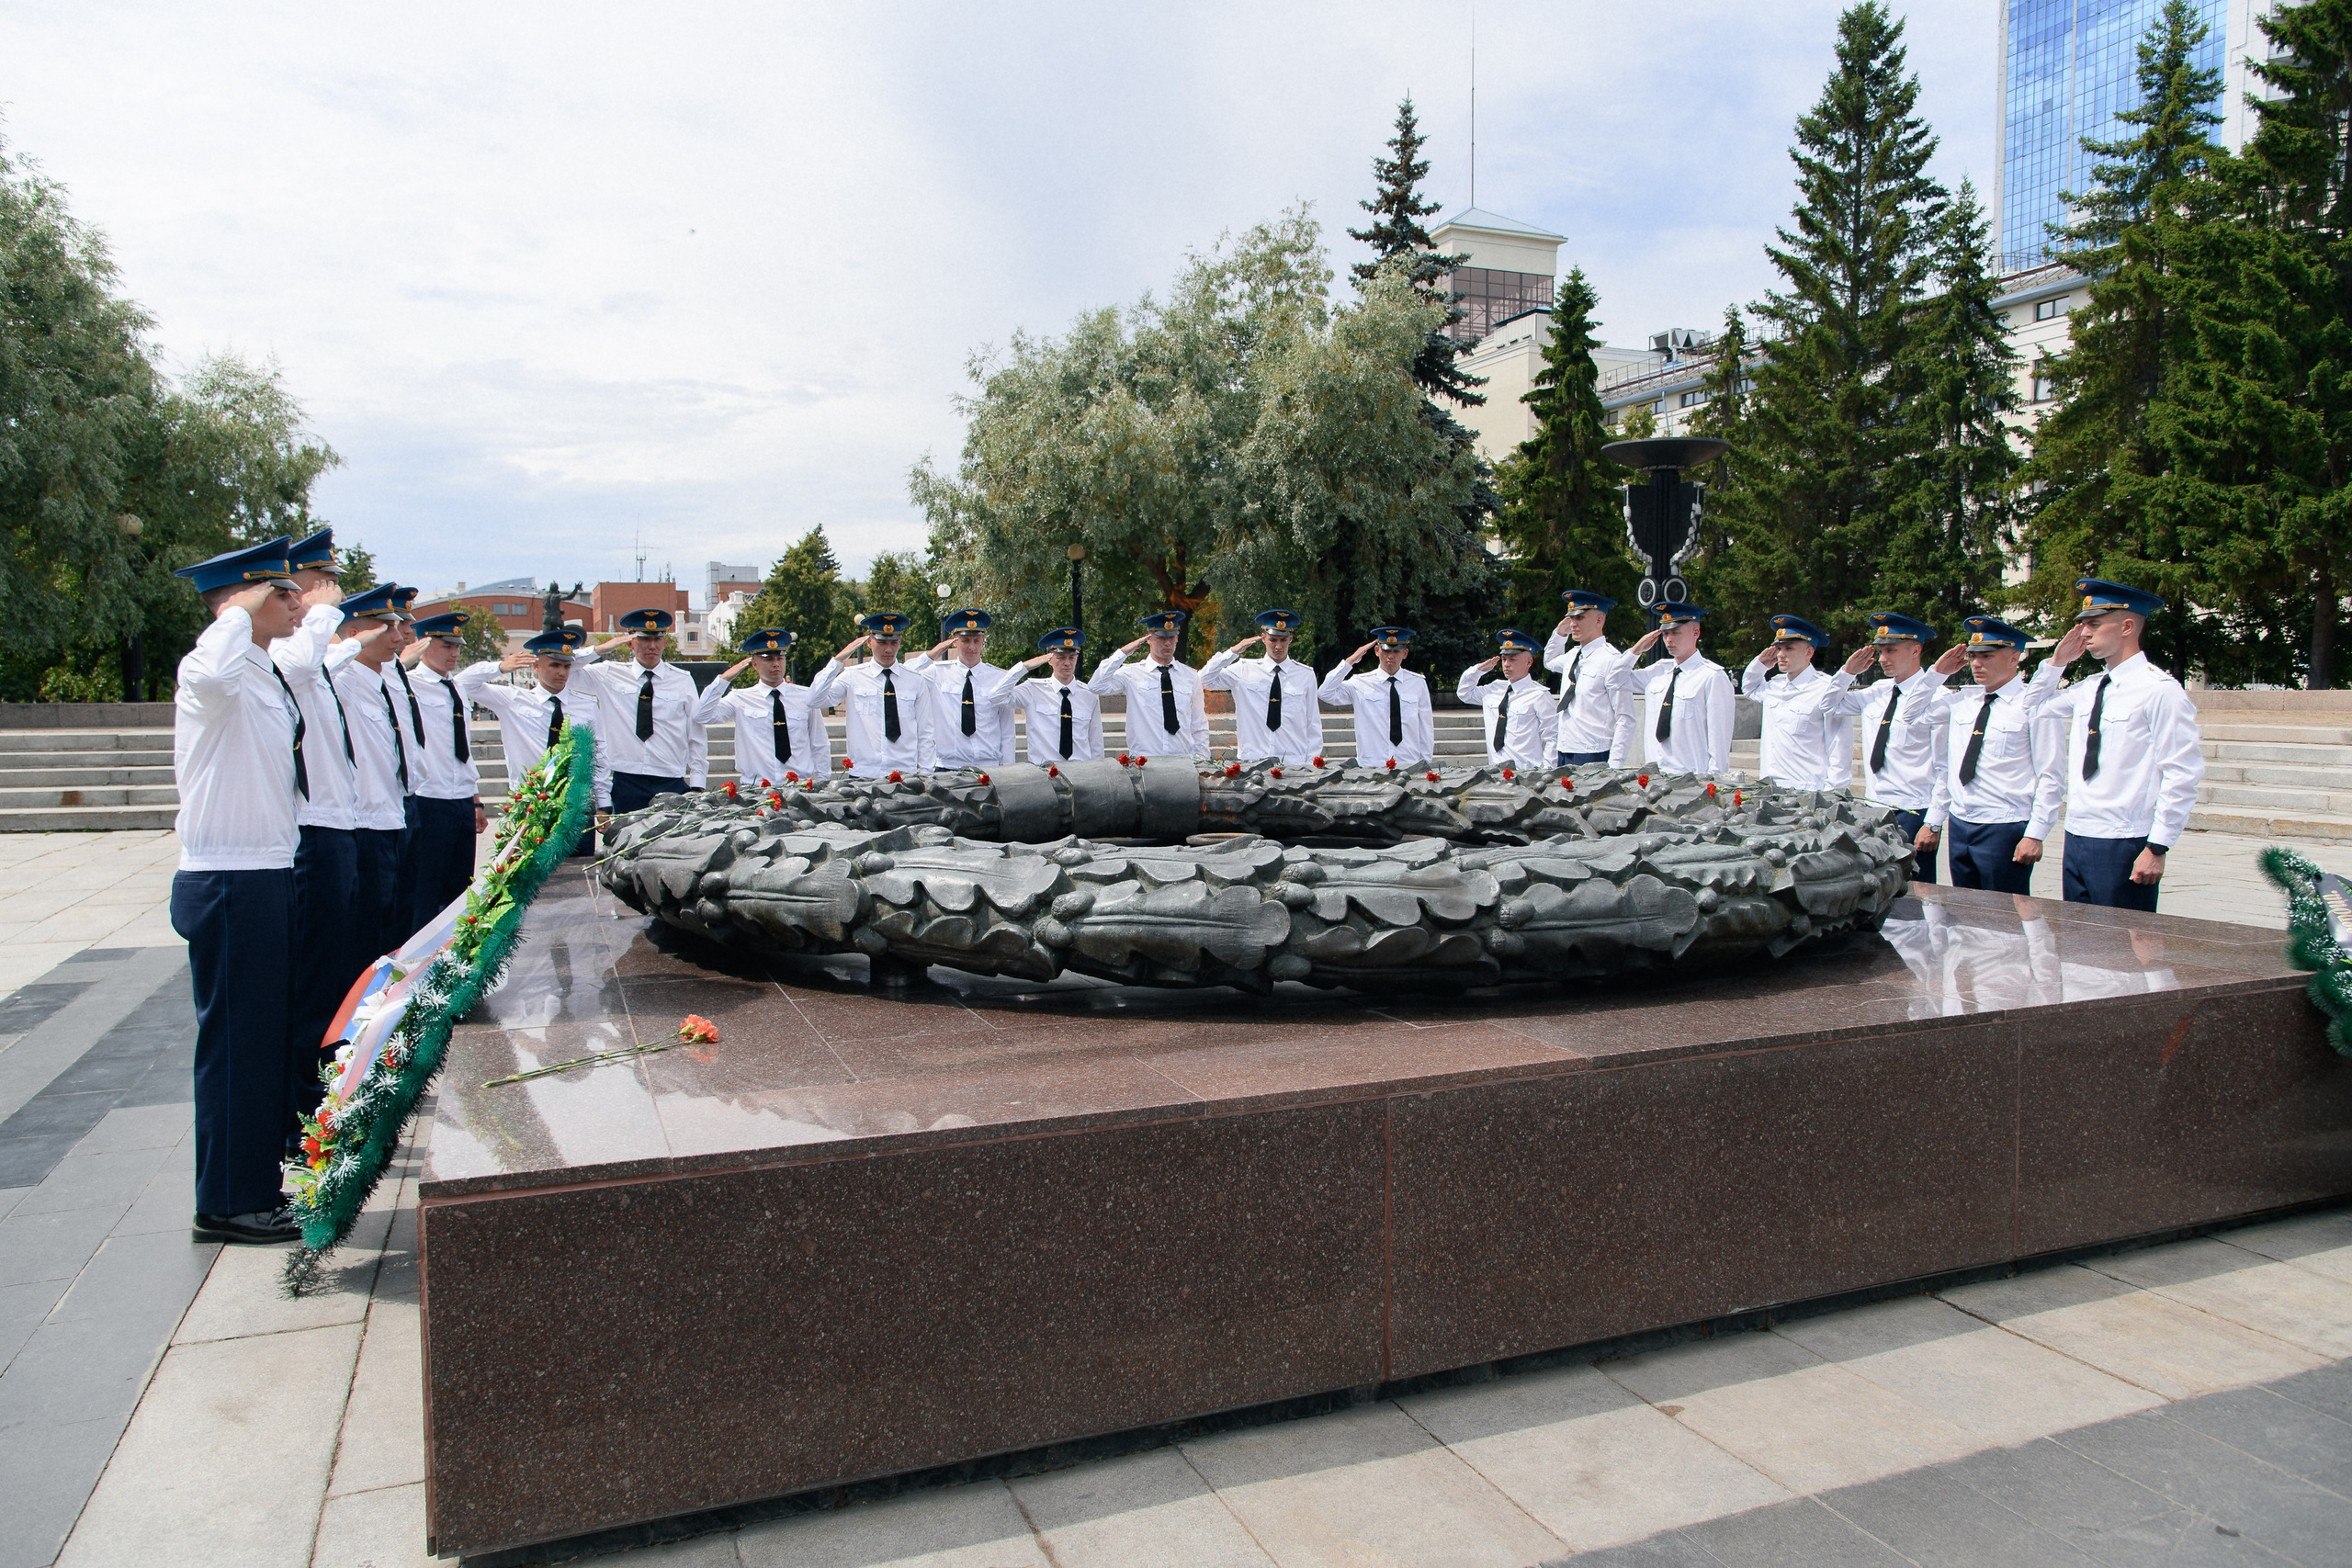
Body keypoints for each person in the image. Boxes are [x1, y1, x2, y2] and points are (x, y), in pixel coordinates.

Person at [169, 537, 307, 1245]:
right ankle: (226, 1200)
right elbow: (211, 679)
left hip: (266, 870)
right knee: (237, 1046)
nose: (296, 600)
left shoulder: (260, 668)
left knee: (263, 1041)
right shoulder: (212, 663)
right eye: (280, 591)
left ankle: (254, 1185)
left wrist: (249, 613)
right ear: (244, 596)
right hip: (228, 878)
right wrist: (232, 611)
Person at [2023, 578, 2205, 910]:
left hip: (2124, 841)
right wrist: (2055, 664)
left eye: (2093, 624)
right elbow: (2031, 709)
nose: (2083, 634)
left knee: (2123, 954)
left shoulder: (2160, 690)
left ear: (2126, 626)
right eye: (2082, 625)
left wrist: (2157, 847)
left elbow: (2181, 773)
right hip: (2078, 835)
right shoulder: (2089, 687)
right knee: (2080, 949)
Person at [269, 529, 368, 1133]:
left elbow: (329, 656)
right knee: (310, 977)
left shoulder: (312, 656)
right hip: (311, 832)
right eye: (313, 585)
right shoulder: (289, 653)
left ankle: (317, 1084)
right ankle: (301, 1099)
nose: (327, 595)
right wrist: (326, 610)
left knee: (330, 966)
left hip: (337, 825)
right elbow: (305, 656)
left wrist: (357, 627)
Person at [1935, 616, 2064, 894]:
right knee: (1965, 915)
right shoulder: (1964, 702)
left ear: (2014, 658)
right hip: (1961, 822)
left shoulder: (2033, 704)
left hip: (2004, 826)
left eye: (1986, 656)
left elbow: (2051, 774)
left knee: (2006, 924)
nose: (1976, 663)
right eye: (1972, 656)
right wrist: (1937, 673)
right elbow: (1911, 714)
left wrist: (2036, 833)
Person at [1826, 613, 1951, 881]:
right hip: (1875, 809)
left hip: (1913, 811)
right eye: (1881, 650)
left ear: (1915, 649)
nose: (1883, 658)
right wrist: (1847, 672)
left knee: (1917, 893)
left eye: (1891, 650)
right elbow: (1828, 707)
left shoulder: (1938, 698)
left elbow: (1945, 765)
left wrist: (1934, 822)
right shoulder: (1877, 691)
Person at [460, 628, 605, 853]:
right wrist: (499, 667)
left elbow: (599, 755)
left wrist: (603, 802)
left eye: (567, 666)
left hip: (574, 804)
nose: (562, 673)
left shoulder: (585, 705)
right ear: (536, 666)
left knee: (578, 877)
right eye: (554, 665)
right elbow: (462, 683)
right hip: (531, 804)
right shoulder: (513, 700)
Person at [331, 587, 415, 957]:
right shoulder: (340, 681)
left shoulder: (382, 682)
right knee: (367, 930)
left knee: (392, 920)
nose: (399, 638)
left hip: (392, 816)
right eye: (386, 629)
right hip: (364, 823)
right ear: (356, 636)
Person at [579, 608, 707, 827]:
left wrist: (697, 783)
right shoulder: (608, 674)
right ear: (629, 643)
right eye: (644, 639)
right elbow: (567, 670)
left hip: (670, 778)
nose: (652, 646)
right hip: (626, 779)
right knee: (625, 851)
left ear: (665, 642)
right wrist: (600, 649)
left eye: (658, 639)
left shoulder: (682, 680)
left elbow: (696, 733)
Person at [399, 612, 486, 933]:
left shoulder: (455, 688)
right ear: (423, 644)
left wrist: (474, 798)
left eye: (457, 646)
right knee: (426, 888)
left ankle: (455, 957)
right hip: (428, 797)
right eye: (446, 645)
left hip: (459, 798)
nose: (454, 653)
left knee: (460, 889)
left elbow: (461, 746)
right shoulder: (408, 685)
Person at [695, 627, 839, 785]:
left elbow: (819, 743)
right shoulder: (740, 698)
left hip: (799, 786)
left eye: (780, 658)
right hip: (755, 788)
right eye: (769, 659)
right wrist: (724, 679)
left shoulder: (806, 697)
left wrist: (823, 781)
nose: (776, 664)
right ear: (754, 664)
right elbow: (702, 715)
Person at [1611, 602, 1736, 775]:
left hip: (1691, 779)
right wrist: (1636, 650)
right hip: (1655, 775)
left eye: (1676, 633)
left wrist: (1714, 782)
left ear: (1696, 633)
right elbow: (1614, 680)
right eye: (1666, 633)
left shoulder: (1712, 676)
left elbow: (1719, 739)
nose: (1669, 639)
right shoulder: (1658, 672)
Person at [806, 613, 936, 776]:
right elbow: (813, 700)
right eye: (881, 642)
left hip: (904, 773)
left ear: (900, 642)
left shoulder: (915, 681)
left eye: (894, 642)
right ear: (869, 642)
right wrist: (838, 661)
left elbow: (925, 731)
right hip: (863, 773)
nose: (888, 649)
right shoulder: (852, 676)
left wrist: (925, 773)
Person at [1742, 615, 1853, 794]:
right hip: (1770, 786)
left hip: (1806, 789)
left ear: (1809, 652)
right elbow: (1749, 688)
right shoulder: (1775, 685)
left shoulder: (1826, 689)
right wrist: (1760, 664)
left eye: (1789, 648)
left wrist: (1835, 793)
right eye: (1779, 648)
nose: (1780, 654)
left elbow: (1839, 747)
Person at [1202, 609, 1326, 766]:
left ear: (1290, 639)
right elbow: (1203, 680)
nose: (1278, 646)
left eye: (1283, 640)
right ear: (1263, 638)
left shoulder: (1305, 675)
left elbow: (1312, 722)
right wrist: (1232, 652)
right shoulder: (1244, 669)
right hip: (1253, 760)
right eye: (1273, 640)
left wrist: (1310, 764)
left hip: (1294, 761)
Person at [1087, 610, 1210, 760]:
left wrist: (1202, 759)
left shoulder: (1190, 676)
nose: (1167, 643)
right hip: (1145, 761)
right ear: (1148, 639)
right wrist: (1123, 653)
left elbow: (1199, 724)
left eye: (1171, 637)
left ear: (1177, 637)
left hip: (1183, 759)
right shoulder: (1132, 673)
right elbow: (1096, 685)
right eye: (1160, 638)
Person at [906, 607, 1019, 770]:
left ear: (983, 641)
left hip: (989, 767)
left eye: (976, 640)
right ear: (955, 641)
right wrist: (930, 655)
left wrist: (1009, 771)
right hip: (948, 766)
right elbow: (905, 673)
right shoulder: (937, 673)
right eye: (965, 640)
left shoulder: (999, 677)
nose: (971, 646)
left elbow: (1007, 731)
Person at [1318, 626, 1435, 770]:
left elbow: (1426, 727)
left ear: (1405, 653)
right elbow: (1325, 693)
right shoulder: (1360, 682)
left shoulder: (1417, 683)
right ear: (1377, 651)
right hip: (1372, 764)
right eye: (1386, 650)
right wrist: (1350, 661)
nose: (1390, 655)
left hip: (1409, 762)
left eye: (1396, 651)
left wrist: (1425, 763)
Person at [1542, 591, 1633, 766]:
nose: (1573, 624)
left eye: (1580, 618)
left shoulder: (1612, 659)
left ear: (1599, 620)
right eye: (1571, 619)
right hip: (1565, 749)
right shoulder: (1573, 655)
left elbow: (1625, 717)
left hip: (1594, 753)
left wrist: (1615, 765)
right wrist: (1560, 633)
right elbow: (1549, 661)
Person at [1457, 628, 1557, 771]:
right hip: (1496, 770)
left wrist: (1547, 770)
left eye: (1513, 659)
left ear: (1529, 662)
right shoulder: (1494, 689)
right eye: (1504, 659)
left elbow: (1552, 737)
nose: (1506, 664)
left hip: (1527, 771)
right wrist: (1478, 670)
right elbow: (1464, 693)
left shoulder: (1539, 694)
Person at [1009, 627, 1105, 763]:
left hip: (1082, 772)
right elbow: (996, 696)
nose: (1067, 663)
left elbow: (1096, 742)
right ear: (1049, 659)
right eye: (1061, 657)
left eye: (1072, 657)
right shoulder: (1033, 690)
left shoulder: (1089, 694)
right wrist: (1025, 667)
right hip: (1045, 773)